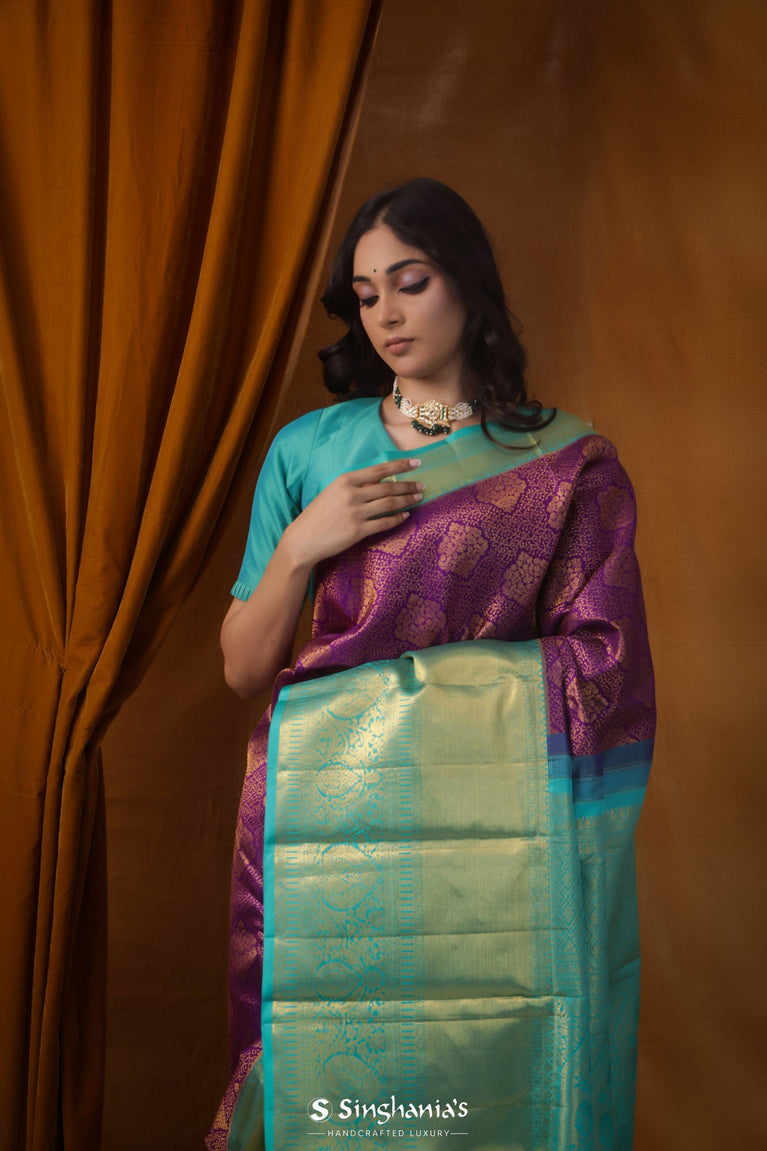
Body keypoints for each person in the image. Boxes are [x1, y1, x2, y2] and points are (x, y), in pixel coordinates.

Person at [206, 178, 655, 1151]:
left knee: (476, 1085)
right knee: (328, 1086)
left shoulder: (566, 464)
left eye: (410, 283)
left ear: (466, 282)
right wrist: (302, 544)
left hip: (492, 851)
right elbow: (244, 667)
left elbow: (602, 672)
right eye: (367, 295)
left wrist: (409, 707)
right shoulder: (310, 451)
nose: (386, 315)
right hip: (323, 832)